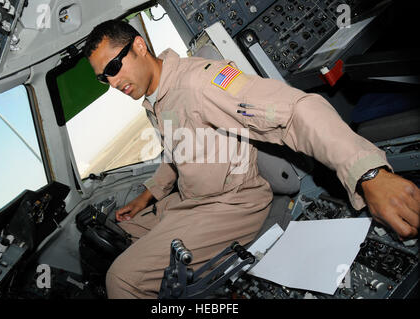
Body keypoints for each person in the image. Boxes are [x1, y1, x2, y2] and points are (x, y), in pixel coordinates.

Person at [84, 18, 420, 299]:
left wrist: (369, 172)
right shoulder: (156, 101)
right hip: (191, 203)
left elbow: (294, 111)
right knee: (111, 233)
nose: (112, 82)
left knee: (122, 280)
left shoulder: (201, 82)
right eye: (104, 77)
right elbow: (176, 152)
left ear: (140, 46)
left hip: (232, 204)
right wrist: (148, 195)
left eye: (114, 67)